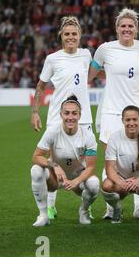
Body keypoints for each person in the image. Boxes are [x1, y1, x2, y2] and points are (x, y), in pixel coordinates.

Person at [88, 8, 139, 220]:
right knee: (111, 159)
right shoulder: (105, 49)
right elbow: (89, 75)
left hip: (138, 110)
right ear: (117, 29)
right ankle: (111, 206)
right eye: (123, 26)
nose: (127, 29)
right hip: (111, 111)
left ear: (136, 29)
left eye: (130, 26)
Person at [30, 16, 94, 220]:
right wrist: (34, 112)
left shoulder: (86, 55)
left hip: (82, 119)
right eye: (67, 34)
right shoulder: (53, 58)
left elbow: (95, 73)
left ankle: (86, 204)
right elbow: (41, 86)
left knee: (82, 165)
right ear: (61, 36)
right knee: (52, 162)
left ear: (80, 36)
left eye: (74, 34)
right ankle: (50, 207)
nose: (70, 37)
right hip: (57, 118)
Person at [30, 95, 99, 227]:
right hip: (56, 178)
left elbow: (90, 167)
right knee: (36, 170)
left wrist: (76, 181)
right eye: (66, 113)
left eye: (74, 113)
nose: (70, 117)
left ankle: (83, 211)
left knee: (94, 184)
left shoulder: (88, 136)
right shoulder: (52, 131)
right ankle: (43, 215)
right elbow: (36, 156)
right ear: (61, 114)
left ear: (80, 115)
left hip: (78, 178)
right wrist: (54, 165)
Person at [101, 105, 139, 224]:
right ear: (122, 120)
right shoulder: (114, 138)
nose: (131, 123)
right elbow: (109, 169)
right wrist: (121, 182)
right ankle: (117, 209)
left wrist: (138, 181)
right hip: (122, 181)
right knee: (107, 185)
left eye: (135, 119)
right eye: (128, 120)